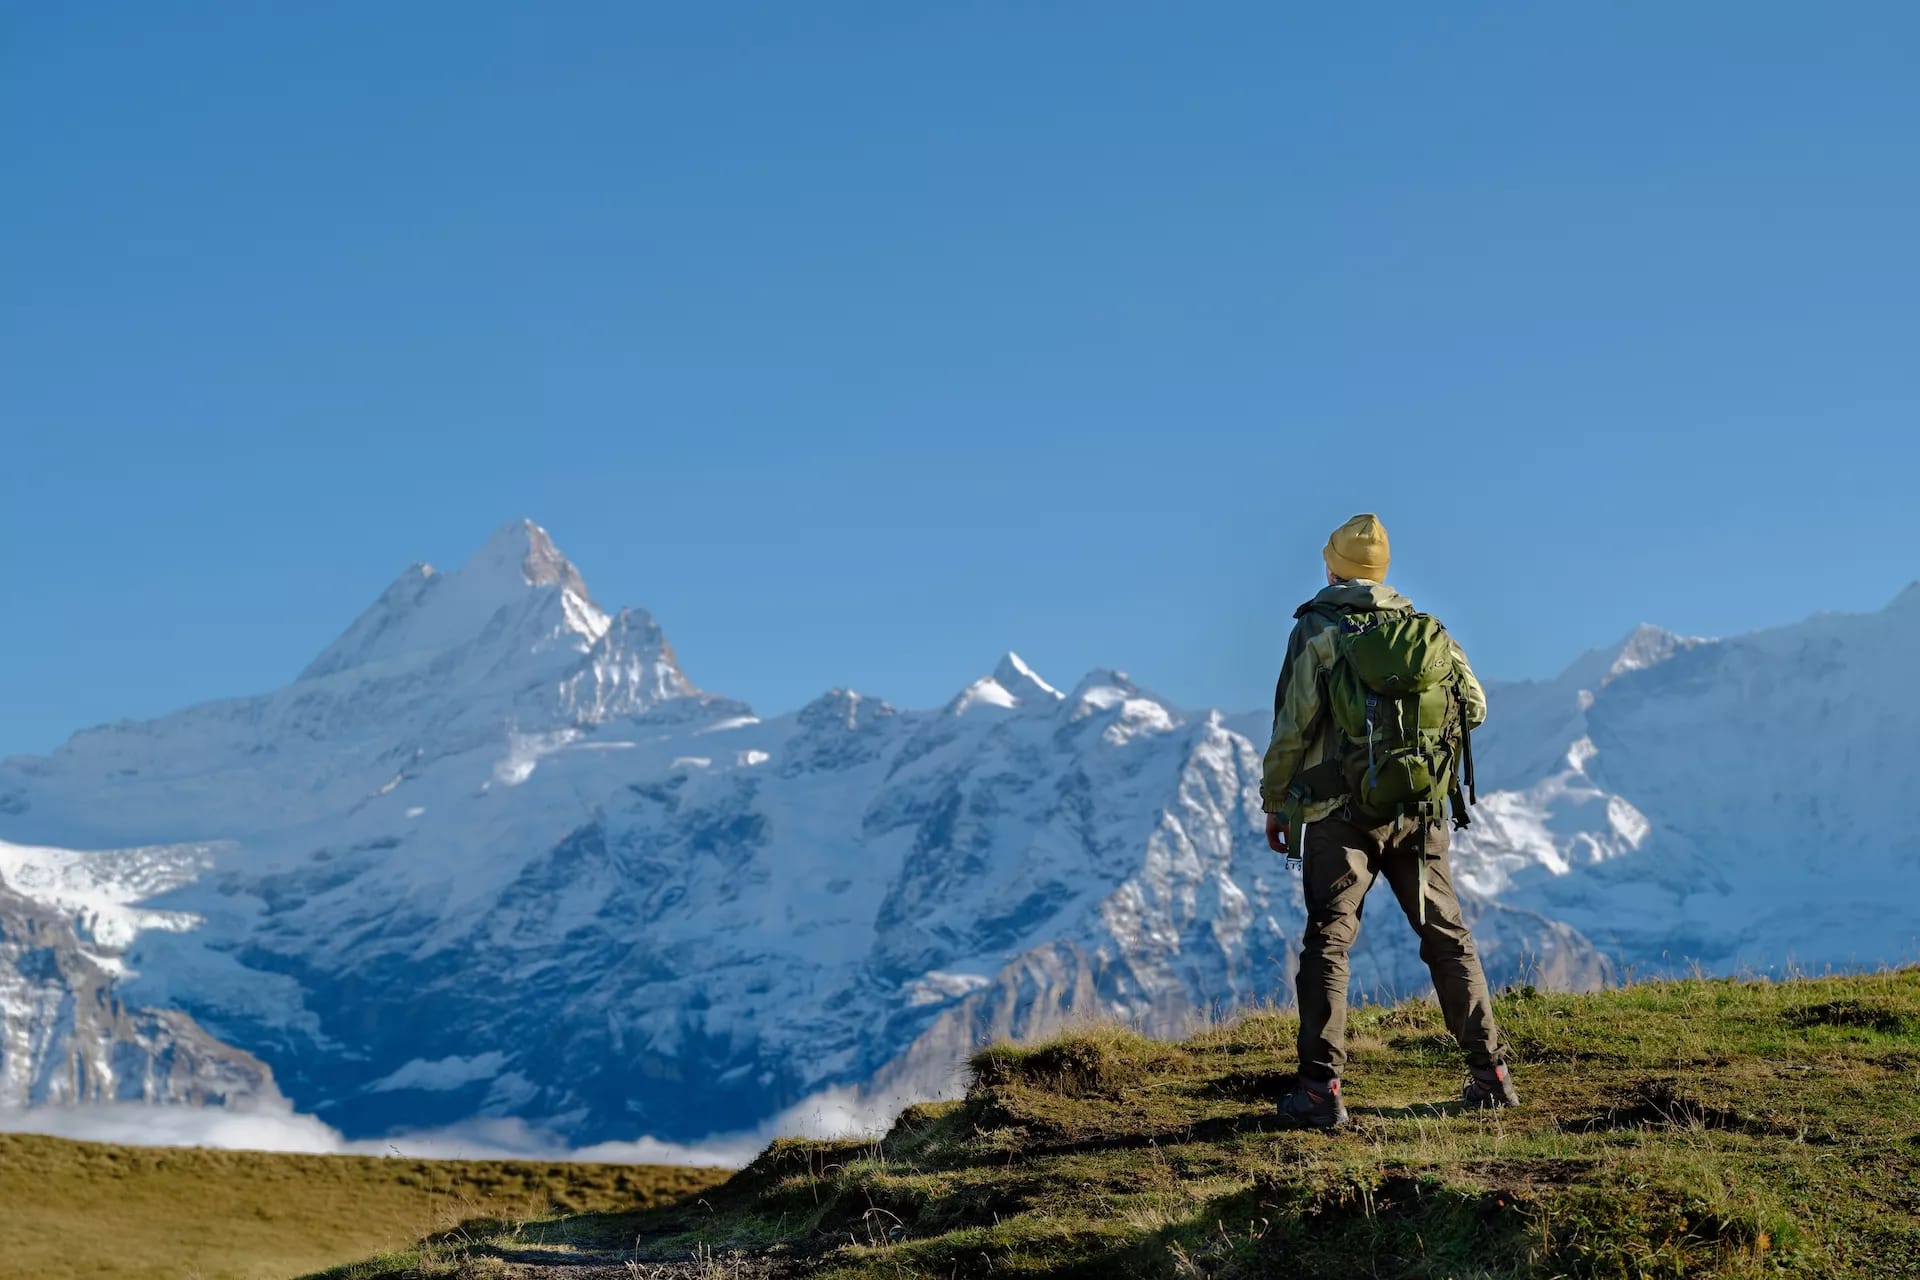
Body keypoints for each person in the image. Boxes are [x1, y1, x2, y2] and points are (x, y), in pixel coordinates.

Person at [1261, 513, 1518, 1127]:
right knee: (1446, 935)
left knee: (1330, 938)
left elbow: (1294, 725)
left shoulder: (1318, 631)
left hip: (1337, 813)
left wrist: (1276, 800)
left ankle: (1321, 1091)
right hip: (1418, 810)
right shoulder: (1423, 629)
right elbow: (1475, 707)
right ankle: (1491, 1075)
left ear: (1332, 569)